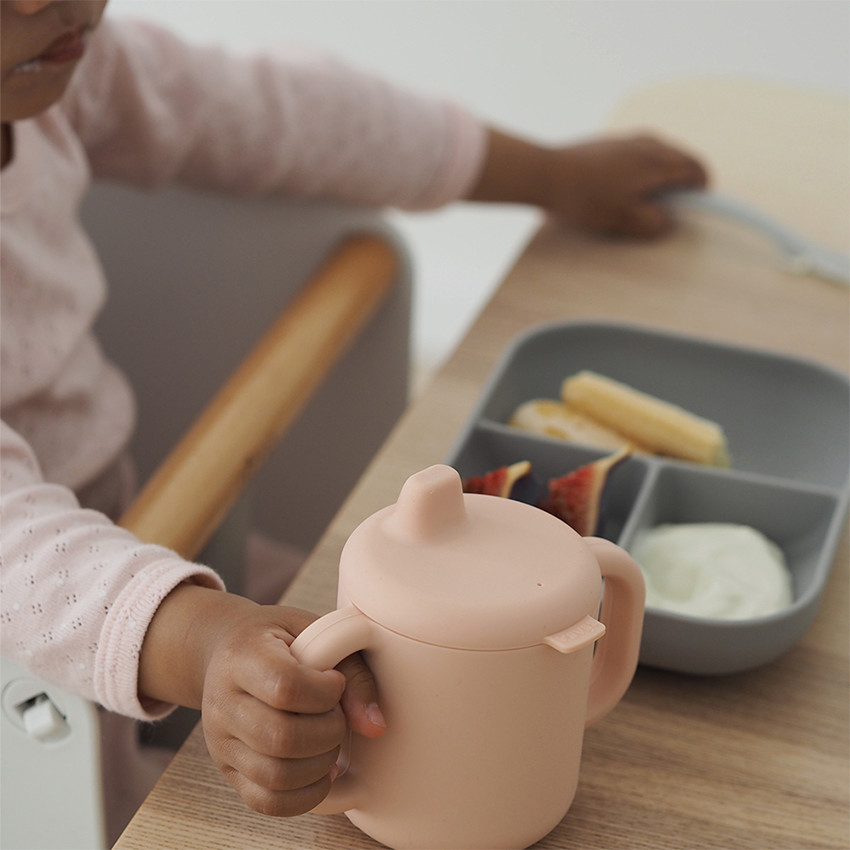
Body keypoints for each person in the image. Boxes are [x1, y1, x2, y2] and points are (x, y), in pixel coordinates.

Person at [0, 0, 708, 840]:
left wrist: (547, 175)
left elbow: (272, 112)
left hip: (136, 540)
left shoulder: (56, 63)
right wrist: (205, 640)